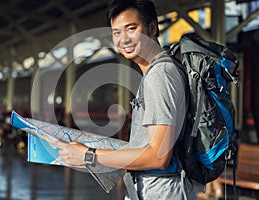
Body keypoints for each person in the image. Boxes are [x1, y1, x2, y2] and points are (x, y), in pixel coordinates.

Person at [56, 0, 196, 199]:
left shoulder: (161, 74)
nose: (123, 39)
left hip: (161, 193)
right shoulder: (157, 72)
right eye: (116, 32)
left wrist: (89, 156)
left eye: (131, 29)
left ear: (152, 28)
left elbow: (158, 156)